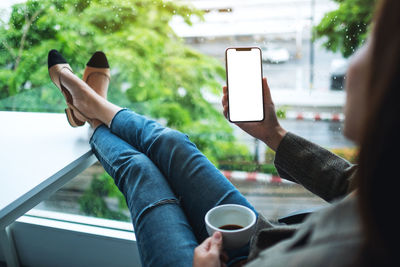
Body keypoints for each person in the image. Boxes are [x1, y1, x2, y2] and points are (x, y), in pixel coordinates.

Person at [47, 0, 399, 265]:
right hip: (267, 237)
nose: (351, 63)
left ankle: (90, 113)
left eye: (370, 43)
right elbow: (349, 184)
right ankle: (94, 109)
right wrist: (273, 133)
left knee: (140, 170)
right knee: (172, 143)